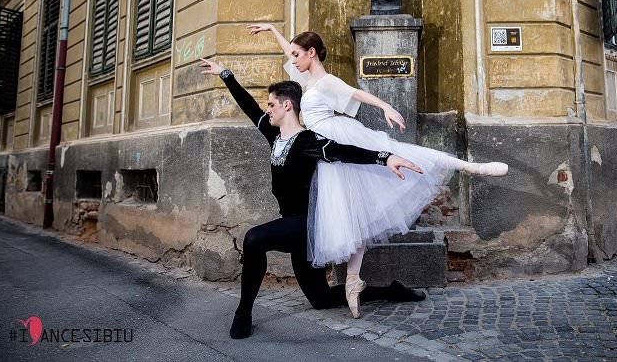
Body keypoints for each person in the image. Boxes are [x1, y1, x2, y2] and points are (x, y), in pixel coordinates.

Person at [247, 24, 508, 318]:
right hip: (318, 149)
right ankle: (354, 280)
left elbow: (357, 93)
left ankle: (468, 166)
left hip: (337, 141)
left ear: (311, 54)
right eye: (291, 55)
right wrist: (272, 30)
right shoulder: (303, 80)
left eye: (297, 54)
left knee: (390, 172)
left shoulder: (326, 81)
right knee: (354, 212)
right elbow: (289, 51)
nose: (292, 60)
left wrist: (385, 106)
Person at [199, 58, 426, 339]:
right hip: (293, 228)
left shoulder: (308, 141)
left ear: (287, 106)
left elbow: (347, 151)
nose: (267, 109)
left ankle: (242, 314)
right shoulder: (274, 135)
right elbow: (249, 106)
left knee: (254, 239)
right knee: (322, 300)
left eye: (271, 104)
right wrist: (226, 74)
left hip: (308, 225)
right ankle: (391, 290)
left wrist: (386, 157)